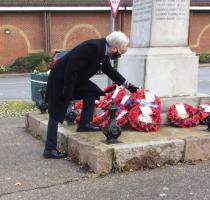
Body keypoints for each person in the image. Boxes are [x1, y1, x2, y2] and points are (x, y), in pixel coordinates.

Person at [43, 31, 138, 159]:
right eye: (121, 52)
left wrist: (129, 86)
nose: (119, 55)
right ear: (114, 47)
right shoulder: (93, 47)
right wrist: (67, 92)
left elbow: (109, 71)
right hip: (61, 78)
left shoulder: (103, 52)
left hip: (75, 79)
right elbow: (72, 68)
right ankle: (49, 149)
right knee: (56, 110)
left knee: (91, 92)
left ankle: (84, 124)